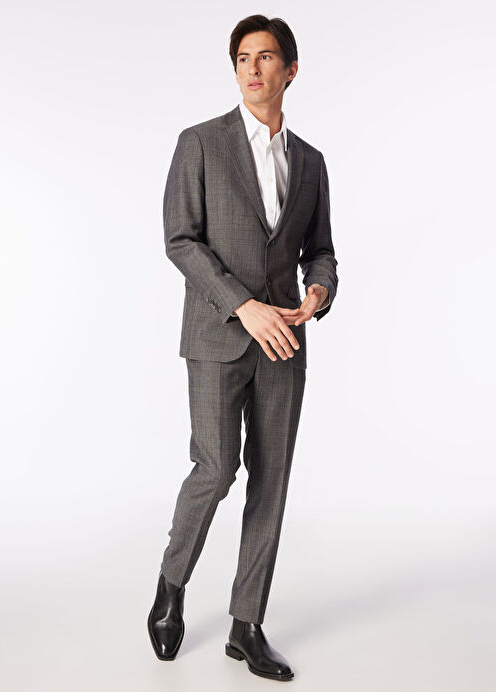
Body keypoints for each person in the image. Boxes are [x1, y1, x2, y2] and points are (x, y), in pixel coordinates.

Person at [147, 14, 338, 682]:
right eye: (242, 58)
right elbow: (181, 240)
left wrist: (317, 292)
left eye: (266, 57)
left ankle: (246, 624)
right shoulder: (200, 143)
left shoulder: (309, 162)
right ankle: (171, 585)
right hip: (217, 336)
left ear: (290, 70)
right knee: (216, 467)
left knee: (272, 477)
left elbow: (321, 250)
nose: (253, 68)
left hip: (284, 341)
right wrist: (242, 305)